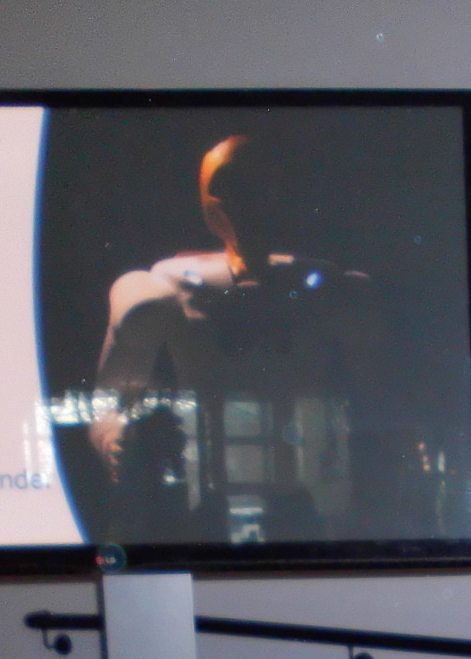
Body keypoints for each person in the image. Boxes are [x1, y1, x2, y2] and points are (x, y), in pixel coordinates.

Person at [86, 134, 413, 547]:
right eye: (229, 186)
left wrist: (395, 467)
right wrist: (115, 439)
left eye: (258, 185)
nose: (245, 201)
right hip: (209, 502)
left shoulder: (335, 294)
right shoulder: (160, 293)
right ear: (209, 198)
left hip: (303, 502)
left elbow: (382, 400)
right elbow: (111, 399)